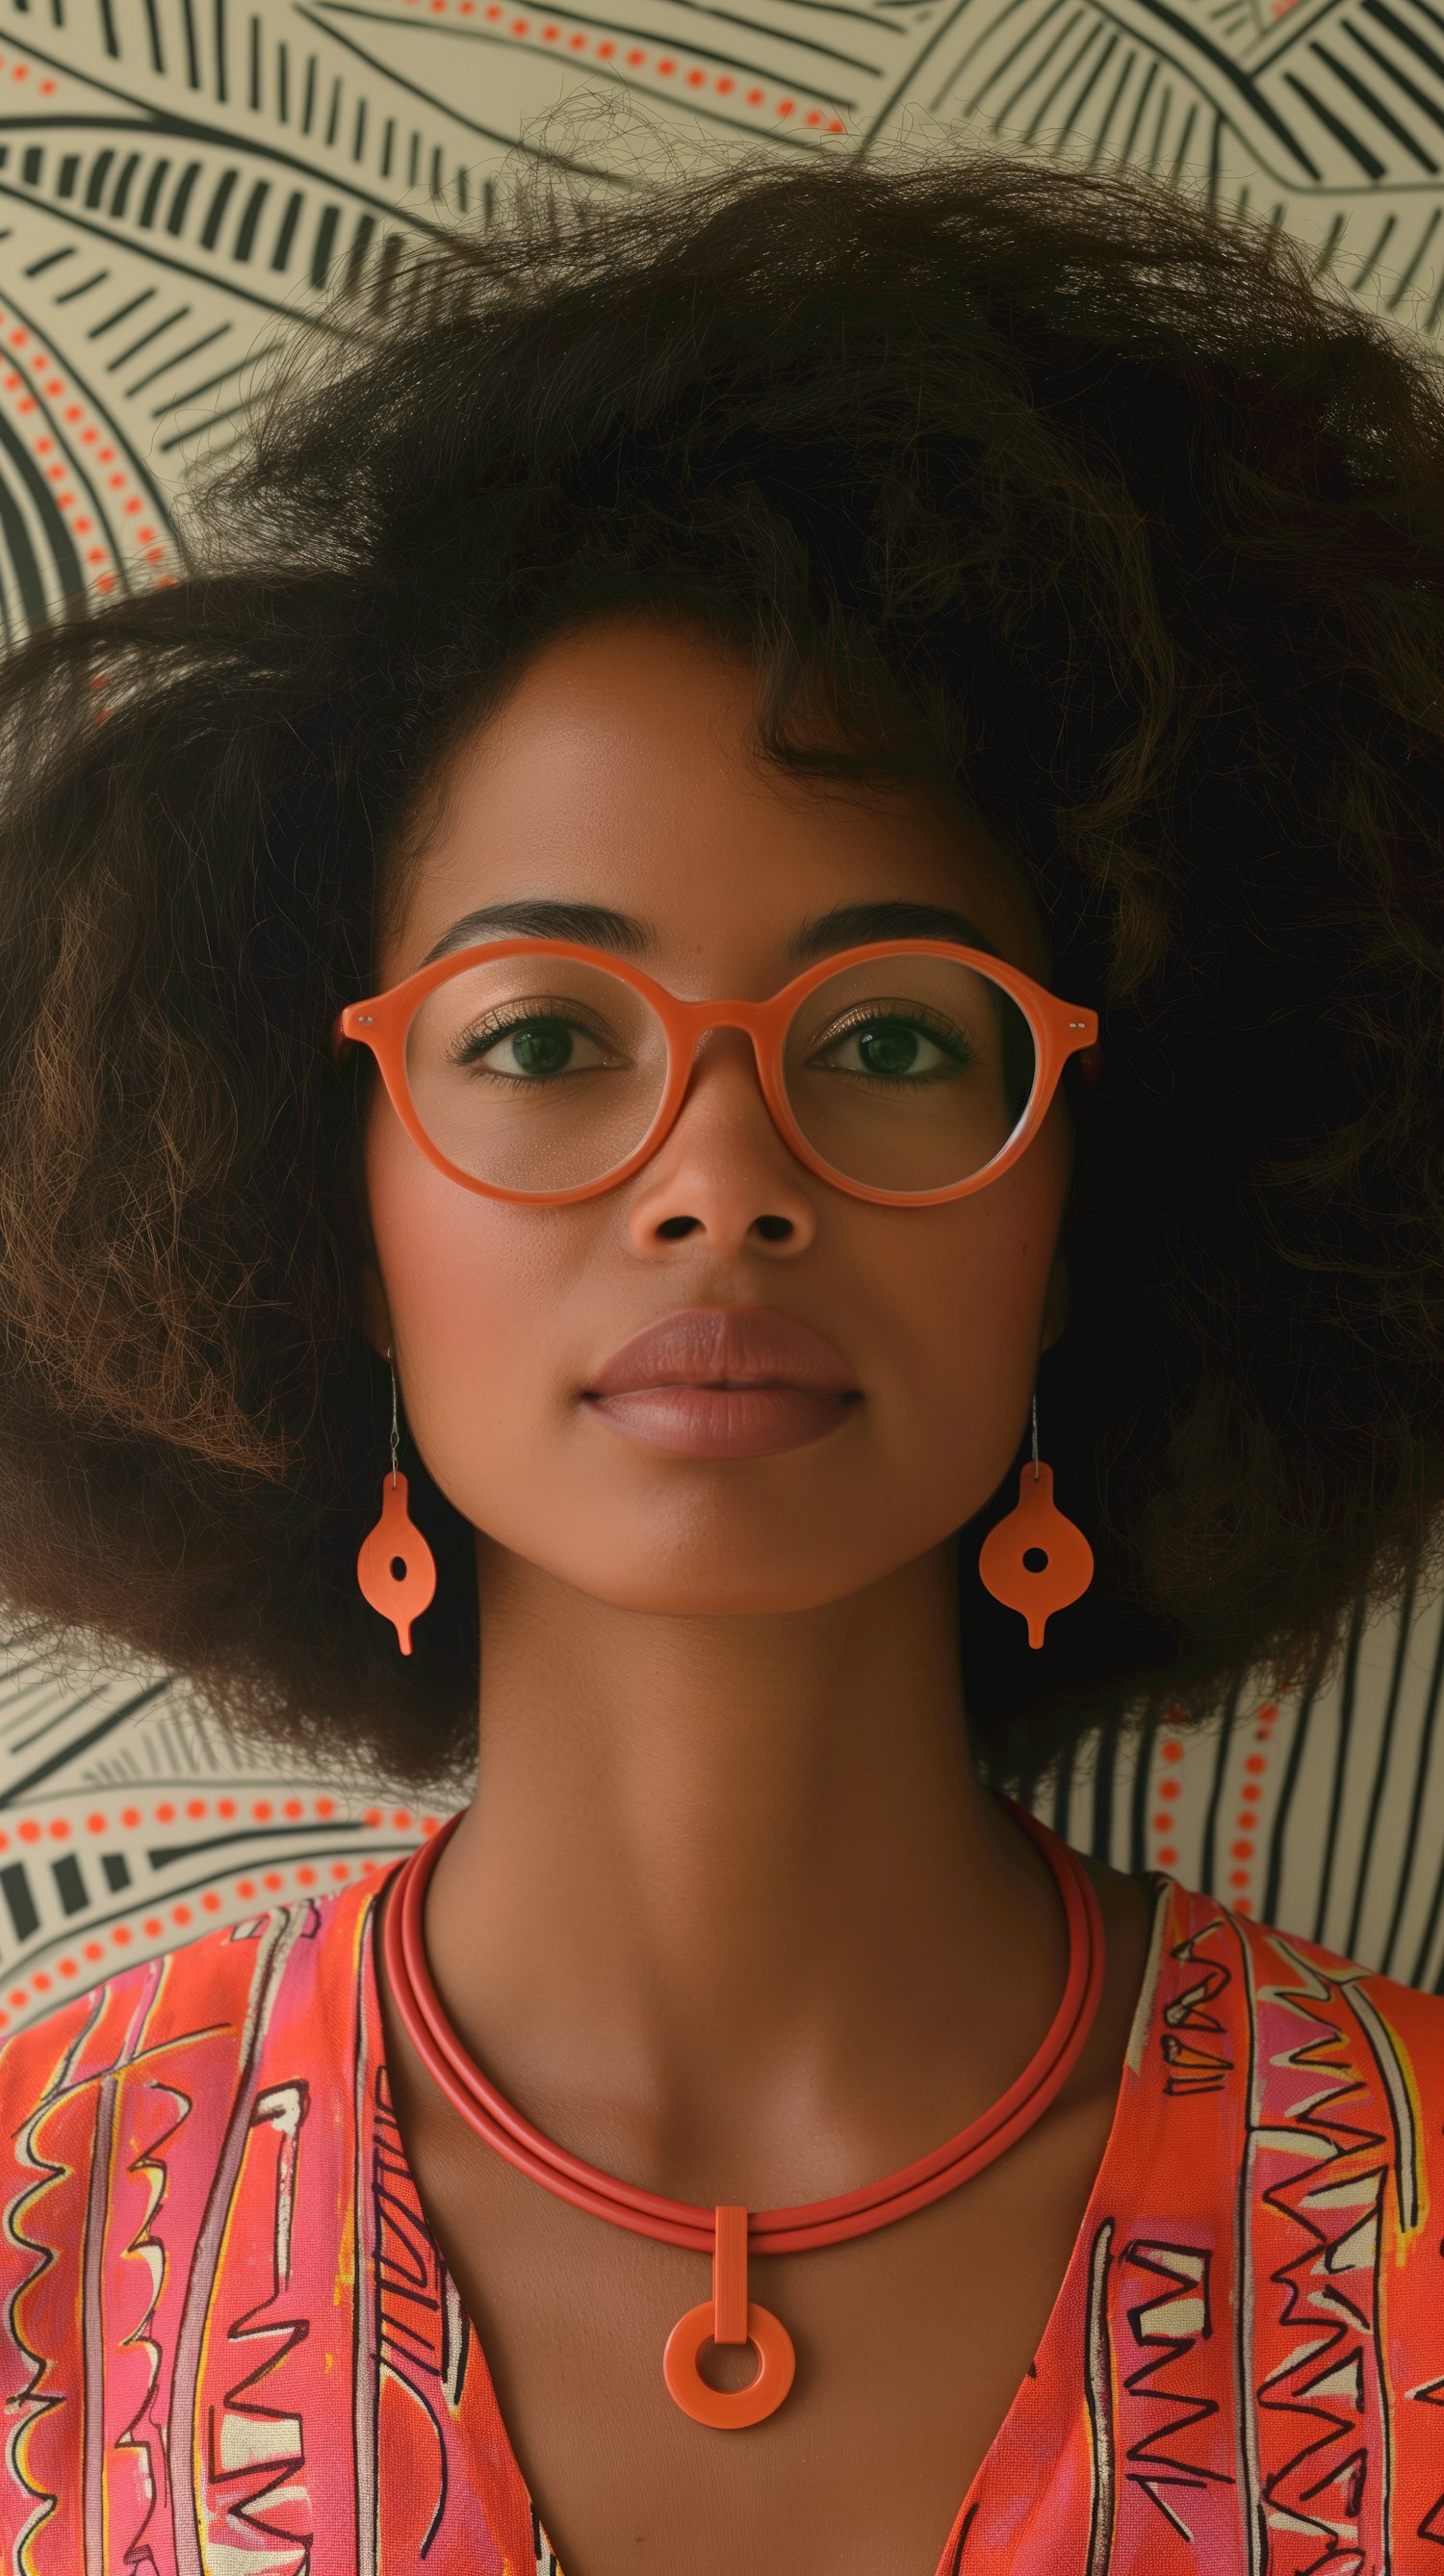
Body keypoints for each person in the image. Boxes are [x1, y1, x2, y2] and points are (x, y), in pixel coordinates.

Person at [0, 131, 1440, 2576]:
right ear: (326, 1198)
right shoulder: (44, 2222)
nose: (718, 1174)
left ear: (1092, 1212)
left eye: (894, 1040)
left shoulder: (1413, 2250)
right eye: (547, 1036)